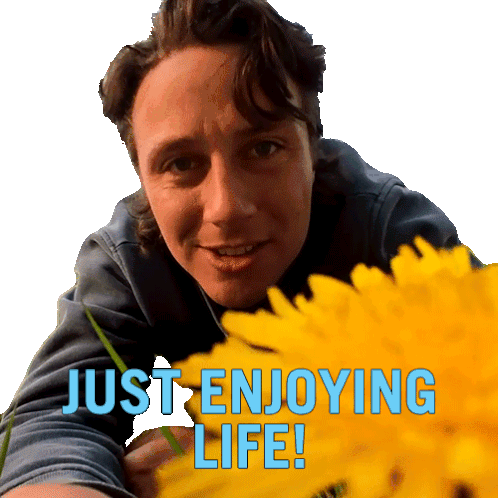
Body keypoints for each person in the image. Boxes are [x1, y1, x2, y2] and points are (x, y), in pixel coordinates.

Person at [0, 0, 484, 497]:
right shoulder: (129, 260)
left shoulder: (392, 235)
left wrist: (242, 457)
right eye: (180, 164)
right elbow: (55, 419)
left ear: (313, 151)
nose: (226, 208)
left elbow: (476, 419)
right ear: (142, 178)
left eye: (263, 149)